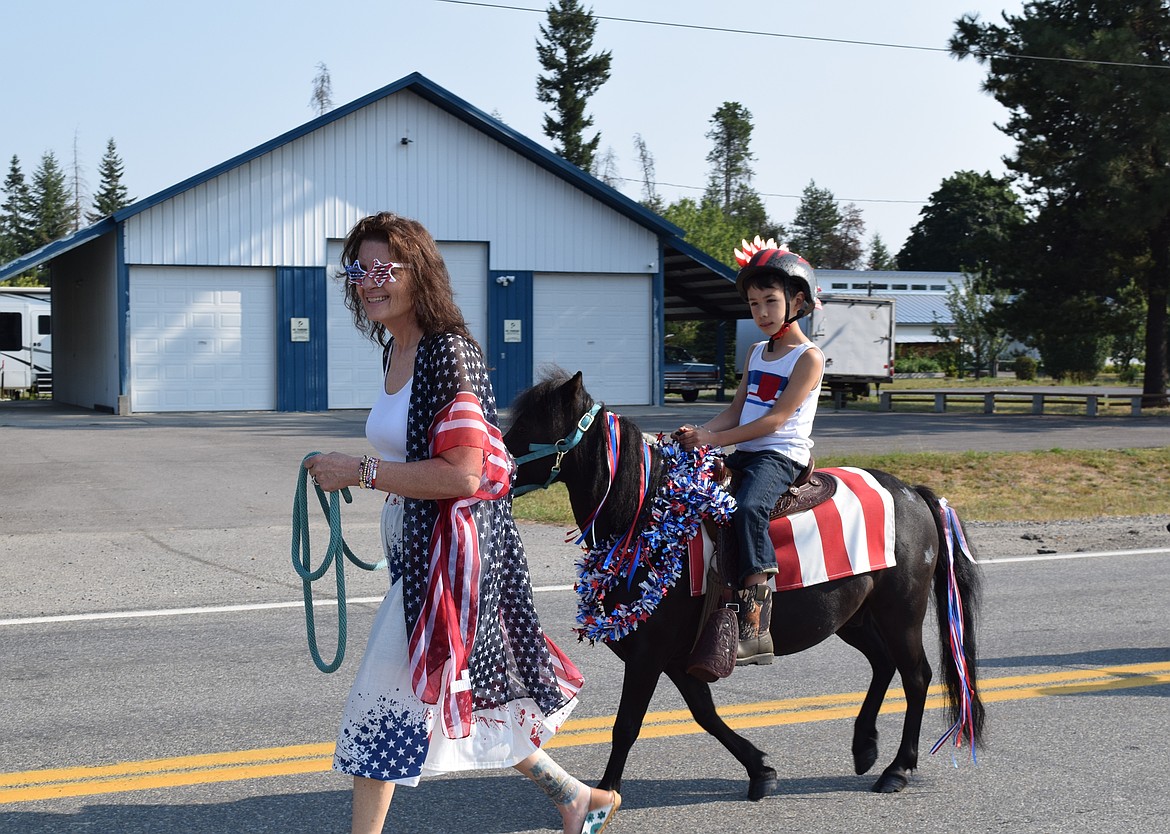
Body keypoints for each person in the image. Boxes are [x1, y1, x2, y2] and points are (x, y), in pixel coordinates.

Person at [304, 212, 620, 834]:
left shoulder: (450, 355)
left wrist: (358, 471)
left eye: (385, 269)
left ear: (418, 274)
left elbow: (464, 474)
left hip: (454, 566)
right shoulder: (396, 348)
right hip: (417, 554)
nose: (370, 282)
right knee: (464, 696)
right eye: (358, 269)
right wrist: (353, 469)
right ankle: (575, 798)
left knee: (381, 711)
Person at [673, 237, 825, 667]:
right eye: (754, 303)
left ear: (798, 300)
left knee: (746, 509)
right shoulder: (758, 351)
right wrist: (699, 432)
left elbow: (776, 420)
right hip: (744, 448)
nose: (760, 312)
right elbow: (738, 408)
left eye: (770, 301)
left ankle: (756, 628)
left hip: (780, 455)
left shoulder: (808, 357)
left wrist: (716, 441)